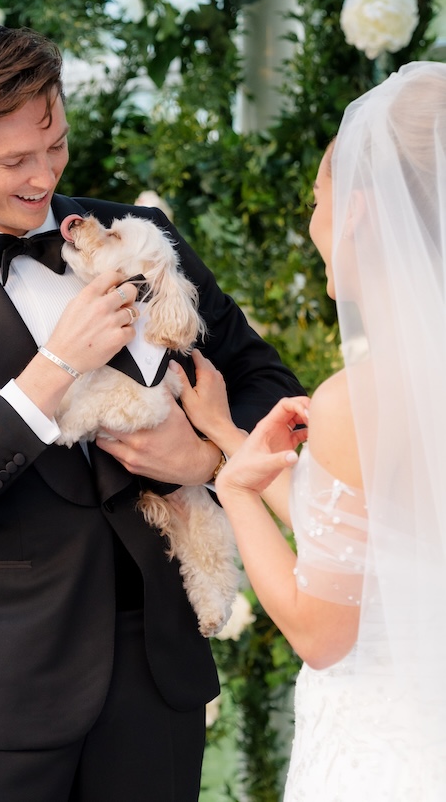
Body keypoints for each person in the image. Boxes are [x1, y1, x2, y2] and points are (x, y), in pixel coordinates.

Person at [0, 19, 304, 802]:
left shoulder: (139, 239)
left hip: (158, 681)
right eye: (15, 161)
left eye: (54, 146)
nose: (43, 177)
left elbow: (267, 384)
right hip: (2, 691)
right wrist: (56, 367)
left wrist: (205, 459)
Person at [173, 61, 446, 800]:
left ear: (357, 212)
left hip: (386, 755)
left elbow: (322, 633)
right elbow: (387, 545)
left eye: (316, 199)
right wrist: (231, 436)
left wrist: (234, 492)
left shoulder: (358, 399)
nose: (311, 222)